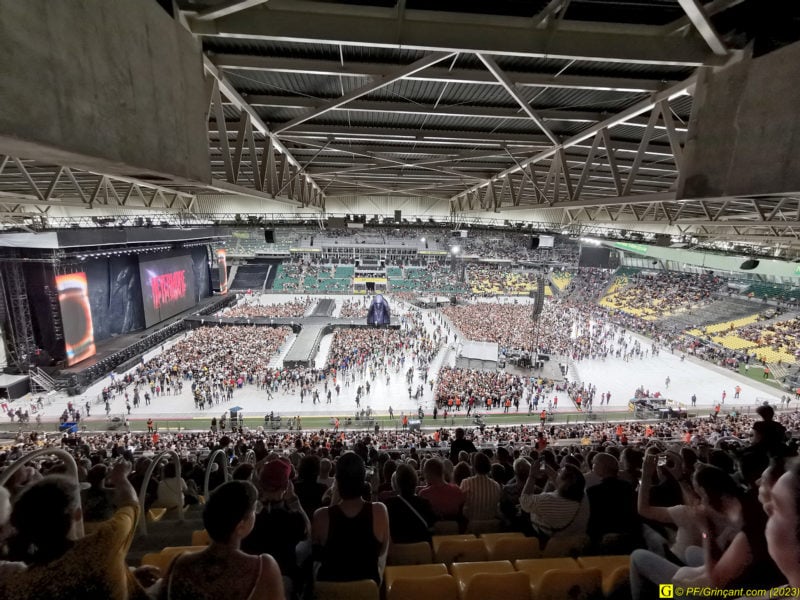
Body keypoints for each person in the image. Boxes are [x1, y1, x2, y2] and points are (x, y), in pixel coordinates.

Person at [1, 462, 143, 600]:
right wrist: (120, 477)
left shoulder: (17, 585)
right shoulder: (102, 544)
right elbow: (130, 502)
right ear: (77, 514)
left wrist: (129, 575)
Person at [160, 480, 284, 600]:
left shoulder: (178, 564)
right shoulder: (264, 567)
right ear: (240, 526)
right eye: (253, 509)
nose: (256, 513)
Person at [312, 452, 389, 584]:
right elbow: (381, 551)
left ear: (337, 481)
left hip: (330, 590)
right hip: (368, 588)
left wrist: (333, 501)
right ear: (363, 479)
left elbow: (317, 554)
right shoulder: (380, 510)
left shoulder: (320, 515)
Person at [241, 459, 309, 596]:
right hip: (283, 579)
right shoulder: (293, 519)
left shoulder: (247, 520)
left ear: (261, 485)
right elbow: (308, 531)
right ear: (286, 487)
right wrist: (294, 500)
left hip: (251, 581)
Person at [519, 461, 589, 548]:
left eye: (560, 472)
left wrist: (531, 476)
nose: (557, 472)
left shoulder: (549, 500)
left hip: (544, 536)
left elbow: (524, 500)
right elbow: (563, 484)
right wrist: (548, 470)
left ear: (565, 483)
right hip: (568, 535)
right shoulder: (582, 496)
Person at [384, 464, 436, 543]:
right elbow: (432, 527)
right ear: (415, 481)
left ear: (397, 483)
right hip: (422, 552)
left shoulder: (389, 504)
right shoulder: (425, 503)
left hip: (397, 552)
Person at [419, 457, 465, 523]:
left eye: (425, 473)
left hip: (434, 531)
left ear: (428, 473)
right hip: (455, 531)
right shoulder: (457, 490)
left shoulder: (424, 494)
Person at [460, 452, 502, 522]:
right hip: (491, 526)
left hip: (471, 525)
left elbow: (460, 503)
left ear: (474, 466)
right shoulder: (496, 485)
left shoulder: (466, 482)